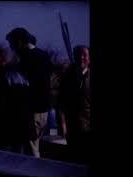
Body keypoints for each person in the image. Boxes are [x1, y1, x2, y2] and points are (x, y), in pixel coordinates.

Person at [6, 27, 52, 158]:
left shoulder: (27, 59)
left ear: (20, 42)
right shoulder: (44, 56)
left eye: (12, 44)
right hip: (43, 110)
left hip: (31, 112)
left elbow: (23, 85)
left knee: (31, 149)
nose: (11, 48)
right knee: (34, 145)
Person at [59, 45, 91, 164]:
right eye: (78, 55)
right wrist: (63, 124)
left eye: (85, 55)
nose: (81, 58)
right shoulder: (67, 77)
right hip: (72, 127)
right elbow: (61, 103)